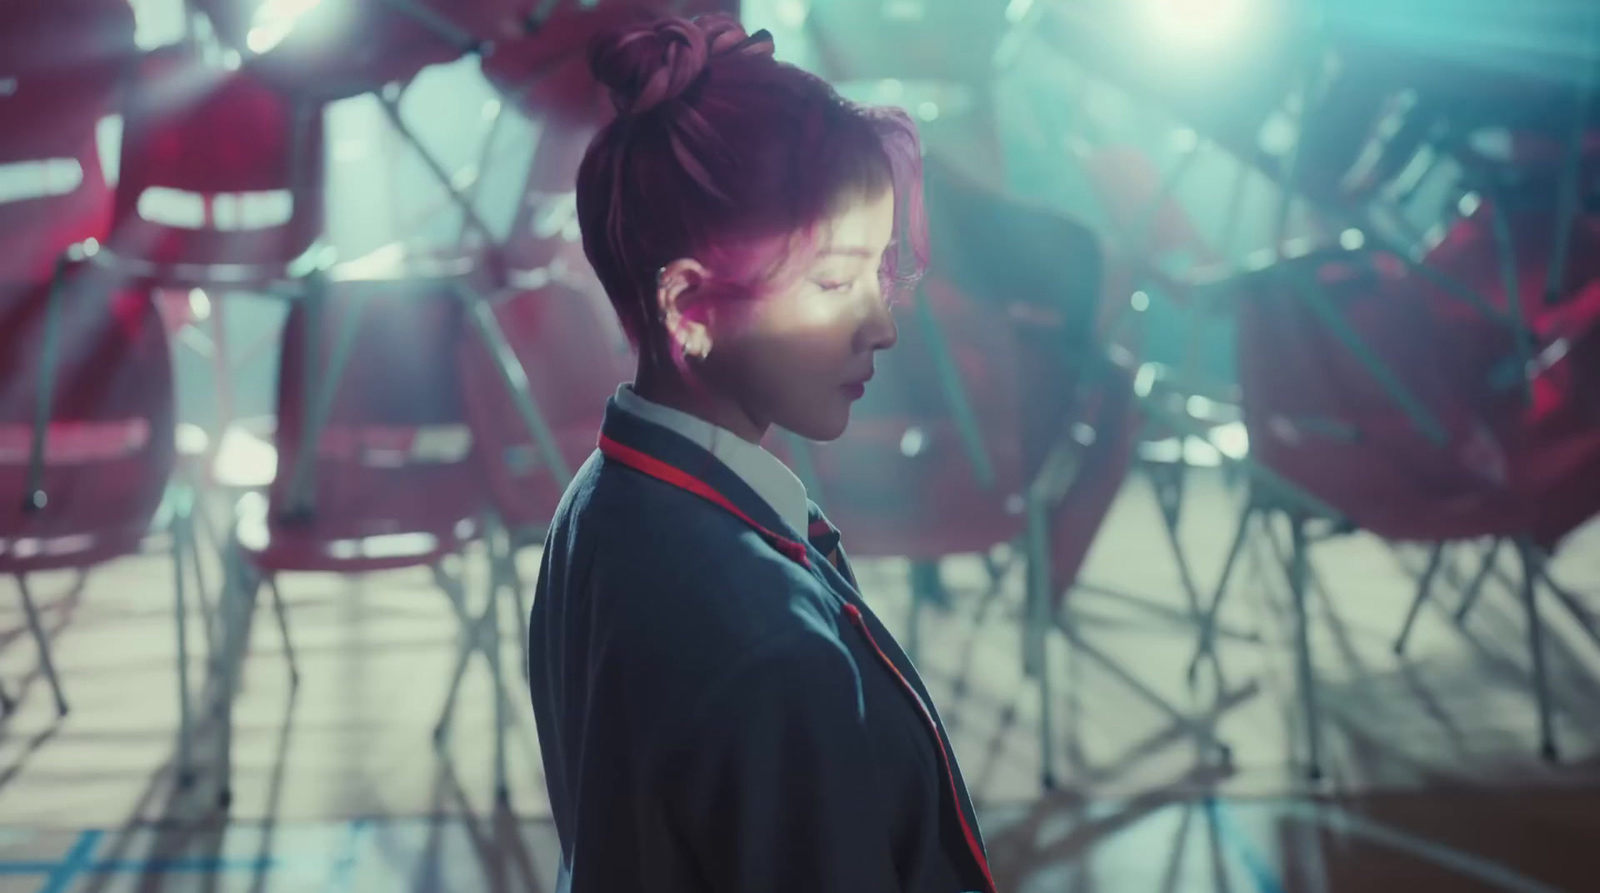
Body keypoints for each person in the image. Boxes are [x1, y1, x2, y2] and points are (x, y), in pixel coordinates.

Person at [526, 12, 996, 893]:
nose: (883, 324)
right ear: (690, 306)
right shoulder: (772, 647)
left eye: (879, 274)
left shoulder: (596, 504)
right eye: (830, 282)